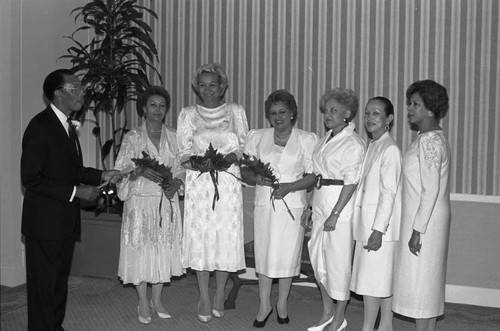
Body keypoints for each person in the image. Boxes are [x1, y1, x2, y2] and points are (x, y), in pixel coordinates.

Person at [21, 69, 118, 331]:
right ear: (58, 93)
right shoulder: (40, 127)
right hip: (44, 224)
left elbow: (72, 171)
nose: (83, 93)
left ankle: (54, 326)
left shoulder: (67, 127)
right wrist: (76, 192)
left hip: (64, 221)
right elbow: (31, 178)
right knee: (44, 286)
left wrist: (101, 173)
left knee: (57, 282)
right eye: (76, 88)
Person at [177, 63, 249, 323]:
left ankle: (219, 293)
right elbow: (182, 152)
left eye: (213, 84)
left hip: (227, 183)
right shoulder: (187, 114)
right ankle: (204, 298)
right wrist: (197, 163)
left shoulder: (235, 111)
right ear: (196, 87)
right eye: (203, 85)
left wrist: (228, 157)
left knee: (224, 238)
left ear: (223, 86)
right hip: (199, 184)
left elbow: (243, 145)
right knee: (202, 238)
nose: (208, 89)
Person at [242, 90, 317, 328]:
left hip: (291, 207)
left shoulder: (307, 139)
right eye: (273, 113)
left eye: (282, 112)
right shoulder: (257, 137)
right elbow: (244, 169)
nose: (278, 117)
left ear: (292, 113)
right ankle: (264, 305)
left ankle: (282, 304)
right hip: (265, 205)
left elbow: (314, 175)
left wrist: (290, 186)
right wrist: (257, 177)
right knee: (264, 255)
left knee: (287, 257)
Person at [114, 86, 185, 324]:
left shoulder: (174, 137)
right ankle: (142, 300)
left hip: (166, 203)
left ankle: (157, 299)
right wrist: (139, 171)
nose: (158, 110)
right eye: (153, 105)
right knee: (141, 250)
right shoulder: (132, 137)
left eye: (162, 105)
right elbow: (120, 173)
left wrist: (177, 182)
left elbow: (182, 169)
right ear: (144, 108)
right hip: (140, 204)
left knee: (163, 249)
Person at [302, 88, 365, 331]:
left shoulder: (353, 143)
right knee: (319, 262)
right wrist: (309, 205)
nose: (327, 114)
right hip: (320, 204)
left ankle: (340, 317)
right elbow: (317, 176)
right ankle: (327, 311)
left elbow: (351, 182)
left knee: (338, 264)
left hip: (340, 209)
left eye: (334, 110)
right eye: (326, 110)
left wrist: (335, 214)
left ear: (347, 114)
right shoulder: (325, 138)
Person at [392, 80, 451, 331]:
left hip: (425, 220)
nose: (409, 109)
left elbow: (431, 190)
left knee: (422, 283)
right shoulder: (428, 137)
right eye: (409, 103)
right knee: (424, 284)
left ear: (430, 109)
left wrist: (418, 230)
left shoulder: (429, 142)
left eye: (415, 104)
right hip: (425, 217)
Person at [350, 97, 402, 331]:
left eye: (377, 114)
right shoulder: (373, 145)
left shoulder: (390, 149)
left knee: (374, 282)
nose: (370, 118)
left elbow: (388, 193)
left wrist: (378, 230)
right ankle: (384, 326)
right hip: (367, 224)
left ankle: (371, 327)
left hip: (379, 228)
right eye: (368, 113)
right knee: (378, 280)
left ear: (389, 119)